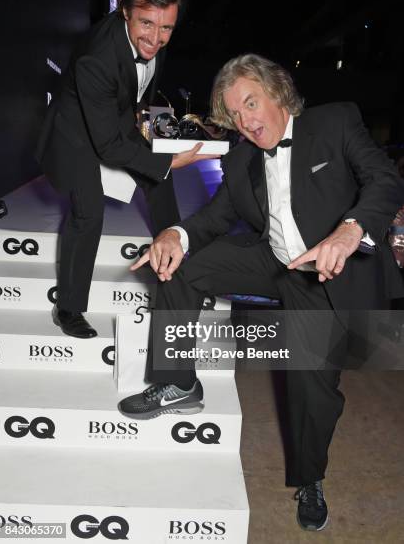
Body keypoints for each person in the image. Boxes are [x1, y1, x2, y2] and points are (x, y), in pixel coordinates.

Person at [118, 54, 404, 531]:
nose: (246, 121)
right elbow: (214, 218)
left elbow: (385, 179)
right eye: (235, 113)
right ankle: (180, 383)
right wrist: (175, 235)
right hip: (271, 259)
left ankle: (311, 478)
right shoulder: (244, 155)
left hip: (322, 273)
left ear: (278, 92)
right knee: (179, 265)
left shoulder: (333, 122)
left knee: (312, 386)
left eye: (251, 103)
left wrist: (351, 230)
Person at [35, 0, 214, 338]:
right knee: (89, 213)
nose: (156, 38)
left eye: (166, 28)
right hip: (77, 134)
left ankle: (175, 266)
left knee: (159, 178)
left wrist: (152, 147)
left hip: (112, 120)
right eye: (147, 24)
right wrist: (167, 160)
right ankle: (68, 307)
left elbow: (132, 94)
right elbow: (107, 145)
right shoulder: (97, 58)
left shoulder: (154, 40)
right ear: (124, 11)